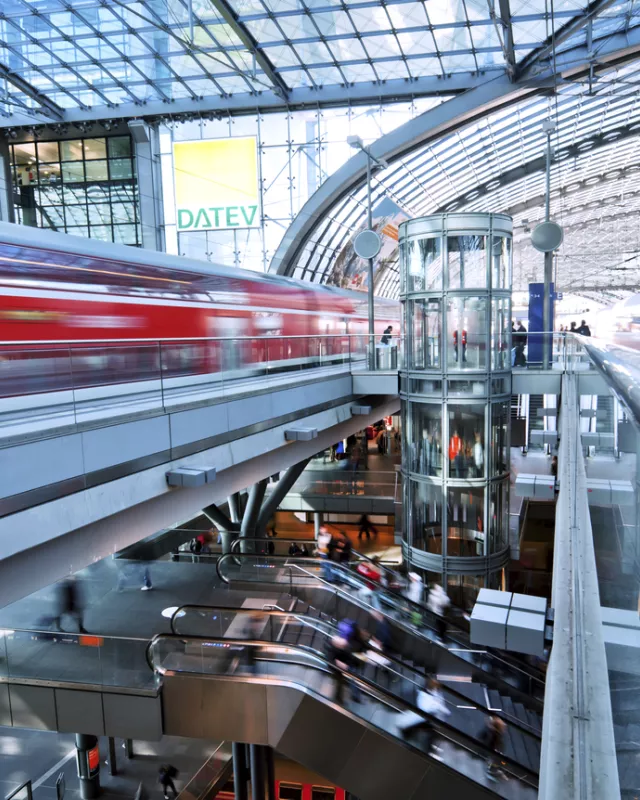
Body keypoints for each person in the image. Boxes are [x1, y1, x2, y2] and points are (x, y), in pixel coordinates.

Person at [398, 678, 450, 754]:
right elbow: (426, 706)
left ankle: (407, 734)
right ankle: (427, 748)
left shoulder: (436, 692)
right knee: (428, 728)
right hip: (425, 717)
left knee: (428, 728)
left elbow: (438, 703)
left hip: (427, 718)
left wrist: (443, 710)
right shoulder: (424, 693)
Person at [480, 715, 506, 780]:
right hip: (490, 752)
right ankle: (491, 772)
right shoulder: (495, 736)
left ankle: (492, 770)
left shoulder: (492, 732)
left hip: (490, 751)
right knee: (496, 761)